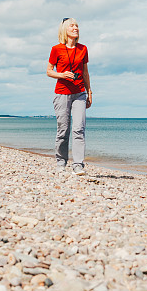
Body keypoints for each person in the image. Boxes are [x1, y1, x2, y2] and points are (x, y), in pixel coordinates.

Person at [47, 17, 92, 175]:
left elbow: (85, 72)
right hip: (61, 94)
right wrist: (62, 75)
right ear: (65, 30)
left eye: (77, 26)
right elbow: (49, 71)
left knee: (79, 129)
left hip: (79, 93)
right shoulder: (56, 49)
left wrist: (89, 92)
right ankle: (61, 162)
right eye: (72, 26)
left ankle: (78, 165)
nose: (76, 28)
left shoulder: (83, 49)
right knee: (63, 130)